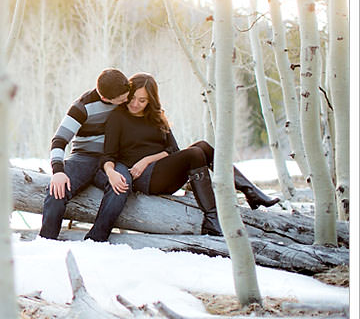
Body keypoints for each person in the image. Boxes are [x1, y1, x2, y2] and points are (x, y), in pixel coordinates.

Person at [84, 72, 280, 241]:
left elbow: (172, 150)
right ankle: (212, 217)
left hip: (159, 171)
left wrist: (146, 160)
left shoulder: (157, 116)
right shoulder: (117, 117)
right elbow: (107, 155)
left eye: (142, 100)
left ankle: (249, 191)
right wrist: (119, 170)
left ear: (150, 100)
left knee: (203, 146)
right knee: (195, 153)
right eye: (132, 98)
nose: (135, 104)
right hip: (142, 179)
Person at [38, 68, 132, 240]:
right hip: (84, 157)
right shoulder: (82, 107)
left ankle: (96, 239)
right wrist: (58, 171)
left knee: (122, 184)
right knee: (57, 190)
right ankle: (47, 240)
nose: (128, 101)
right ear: (105, 98)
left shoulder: (126, 94)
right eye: (122, 99)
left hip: (111, 160)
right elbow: (58, 140)